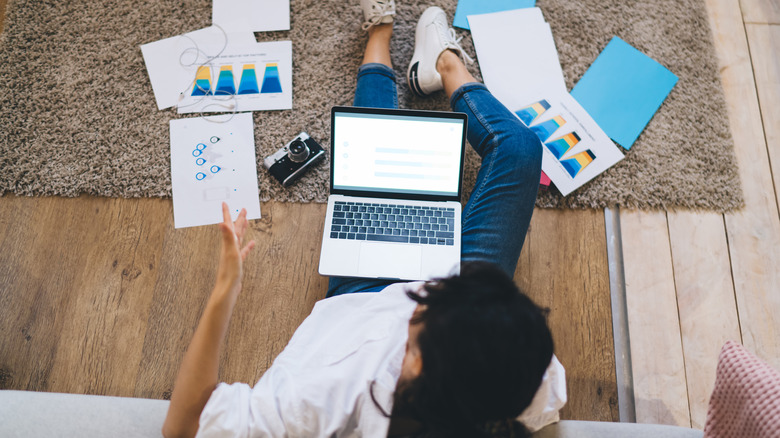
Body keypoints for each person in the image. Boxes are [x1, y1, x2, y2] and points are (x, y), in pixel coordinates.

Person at [162, 2, 566, 437]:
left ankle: (380, 33)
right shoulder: (516, 373)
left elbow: (182, 427)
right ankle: (444, 66)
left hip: (360, 294)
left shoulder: (322, 392)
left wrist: (225, 289)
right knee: (521, 150)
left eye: (423, 308)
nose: (420, 290)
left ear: (414, 363)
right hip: (466, 325)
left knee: (372, 144)